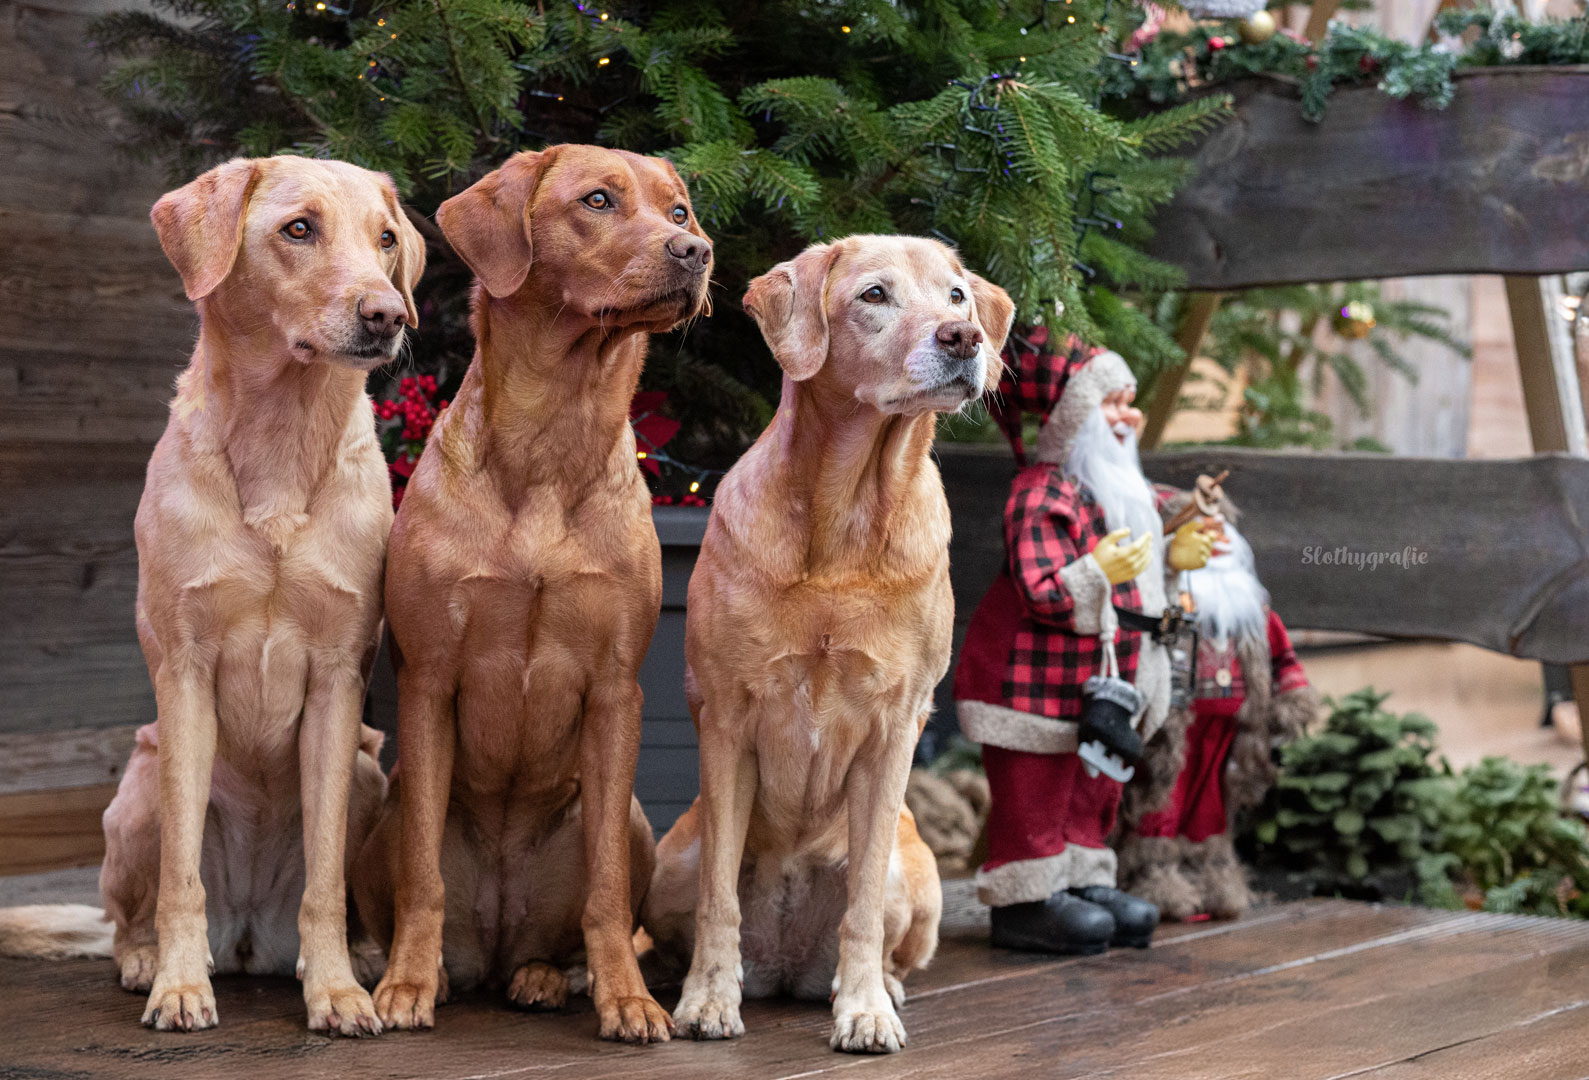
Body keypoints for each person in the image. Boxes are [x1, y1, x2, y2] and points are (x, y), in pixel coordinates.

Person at [954, 330, 1215, 955]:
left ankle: (1084, 882)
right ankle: (1026, 900)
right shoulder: (1043, 493)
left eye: (1131, 401)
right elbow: (1043, 590)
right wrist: (1097, 571)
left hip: (1101, 694)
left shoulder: (1126, 492)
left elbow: (1148, 575)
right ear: (1075, 415)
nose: (1130, 415)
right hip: (1034, 689)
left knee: (1091, 790)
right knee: (1035, 793)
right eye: (1113, 403)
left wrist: (1175, 557)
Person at [1116, 496, 1319, 919]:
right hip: (1175, 726)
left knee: (1212, 808)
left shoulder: (1256, 614)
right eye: (1205, 529)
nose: (1218, 538)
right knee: (1162, 799)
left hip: (1232, 733)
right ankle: (1154, 877)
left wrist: (1292, 698)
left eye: (1223, 528)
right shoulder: (1173, 604)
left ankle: (1212, 878)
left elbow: (1282, 659)